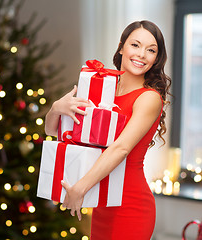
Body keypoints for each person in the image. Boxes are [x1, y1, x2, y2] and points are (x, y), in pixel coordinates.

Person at [44, 20, 171, 240]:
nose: (141, 54)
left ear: (156, 59)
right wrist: (56, 109)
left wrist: (81, 188)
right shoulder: (104, 90)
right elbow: (53, 131)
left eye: (151, 50)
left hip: (131, 205)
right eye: (135, 45)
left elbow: (120, 148)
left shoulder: (149, 98)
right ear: (121, 47)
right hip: (103, 201)